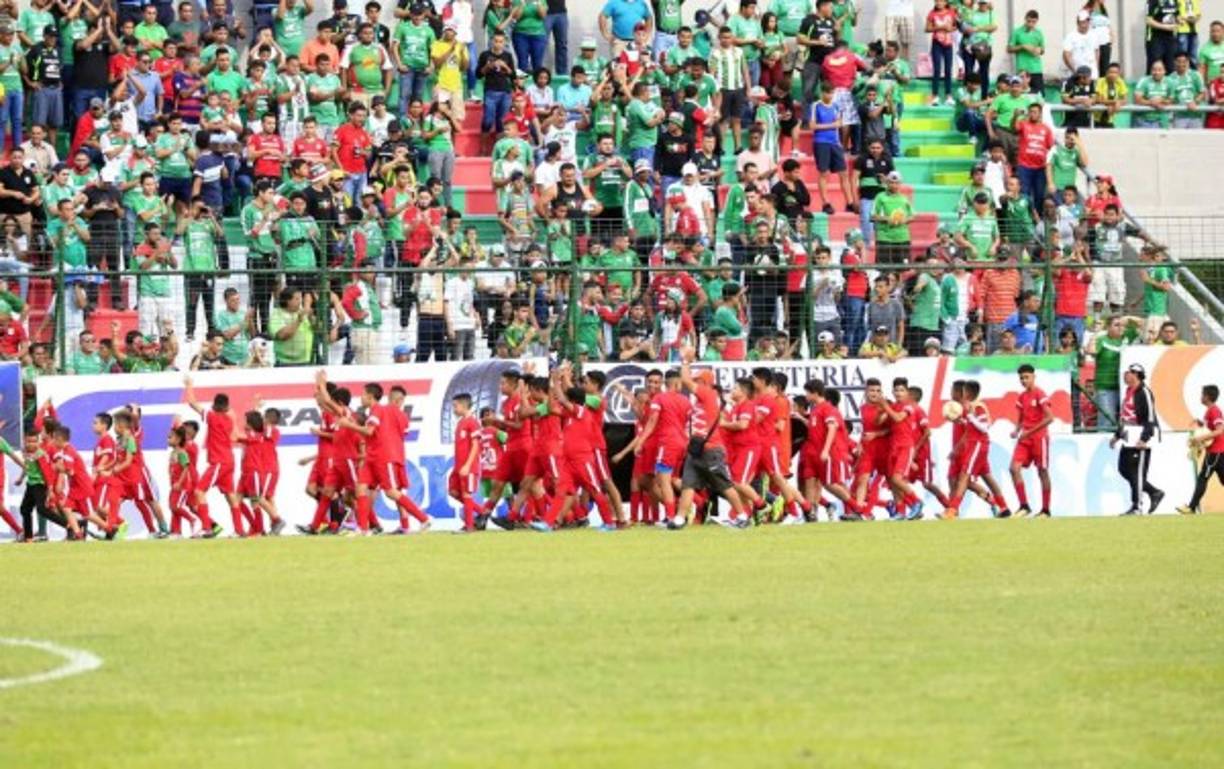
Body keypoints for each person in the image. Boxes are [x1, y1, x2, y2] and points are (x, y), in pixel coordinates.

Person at [1112, 363, 1163, 516]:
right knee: (1124, 469)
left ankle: (1137, 506)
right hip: (1129, 435)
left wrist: (1144, 438)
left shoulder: (1144, 392)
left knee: (1137, 471)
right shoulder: (1128, 391)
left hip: (1140, 436)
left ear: (1137, 375)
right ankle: (1154, 492)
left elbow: (1150, 418)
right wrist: (1117, 435)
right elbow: (1125, 416)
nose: (1126, 375)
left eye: (1129, 373)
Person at [1009, 364, 1053, 517]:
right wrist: (1016, 430)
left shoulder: (1040, 394)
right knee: (1014, 468)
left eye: (1026, 377)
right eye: (1021, 378)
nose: (1024, 380)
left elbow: (1050, 418)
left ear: (1034, 377)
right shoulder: (1022, 397)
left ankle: (1046, 510)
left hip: (1039, 438)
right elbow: (1021, 417)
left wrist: (1029, 432)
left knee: (1042, 472)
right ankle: (1024, 505)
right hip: (1025, 439)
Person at [1178, 385, 1224, 515]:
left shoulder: (1214, 411)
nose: (1201, 396)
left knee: (1202, 478)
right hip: (1218, 451)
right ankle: (1191, 507)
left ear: (1207, 397)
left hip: (1215, 452)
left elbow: (1220, 430)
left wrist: (1200, 438)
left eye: (1202, 394)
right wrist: (1200, 423)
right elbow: (1210, 428)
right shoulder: (1210, 411)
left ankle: (1191, 507)